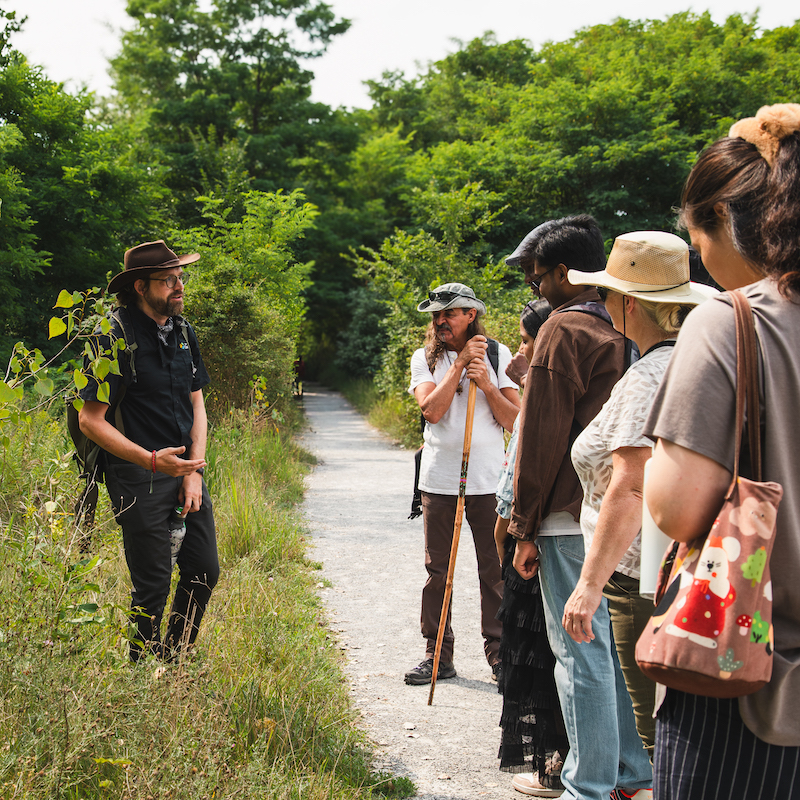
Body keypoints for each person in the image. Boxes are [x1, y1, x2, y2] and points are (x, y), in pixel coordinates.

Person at [644, 103, 800, 797]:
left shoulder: (729, 321)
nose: (702, 260)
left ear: (728, 222)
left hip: (749, 684)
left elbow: (678, 511)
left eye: (697, 237)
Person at [507, 215, 653, 800]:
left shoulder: (562, 331)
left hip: (566, 517)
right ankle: (630, 774)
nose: (536, 289)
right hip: (619, 515)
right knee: (610, 655)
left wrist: (522, 525)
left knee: (578, 653)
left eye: (538, 277)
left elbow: (539, 439)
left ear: (567, 274)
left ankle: (587, 785)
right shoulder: (626, 327)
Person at [562, 231, 716, 763]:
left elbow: (630, 487)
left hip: (641, 576)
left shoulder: (648, 376)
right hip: (680, 566)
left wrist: (588, 584)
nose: (601, 305)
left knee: (659, 739)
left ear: (629, 303)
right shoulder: (694, 361)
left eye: (606, 293)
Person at [78, 240, 219, 662]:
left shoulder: (183, 331)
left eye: (180, 278)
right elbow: (90, 419)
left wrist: (191, 471)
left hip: (185, 471)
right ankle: (140, 674)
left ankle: (170, 660)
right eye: (169, 280)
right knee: (153, 586)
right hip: (137, 476)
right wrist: (152, 461)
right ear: (141, 287)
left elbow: (198, 404)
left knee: (203, 571)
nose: (179, 286)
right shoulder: (112, 337)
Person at [405, 282, 520, 685]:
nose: (439, 321)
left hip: (488, 480)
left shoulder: (499, 355)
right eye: (435, 315)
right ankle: (437, 655)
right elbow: (431, 411)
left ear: (471, 315)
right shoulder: (425, 359)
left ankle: (500, 657)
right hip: (438, 479)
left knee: (494, 570)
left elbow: (514, 421)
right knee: (439, 570)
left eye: (448, 314)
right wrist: (457, 368)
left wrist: (486, 382)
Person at [494, 298, 570, 799]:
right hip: (538, 529)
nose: (520, 349)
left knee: (544, 654)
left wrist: (510, 529)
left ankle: (552, 767)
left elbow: (521, 466)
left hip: (537, 533)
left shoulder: (546, 394)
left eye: (525, 339)